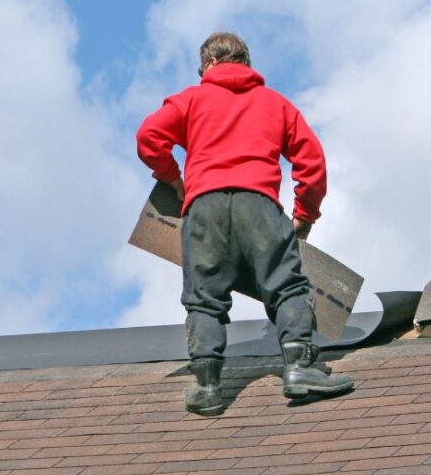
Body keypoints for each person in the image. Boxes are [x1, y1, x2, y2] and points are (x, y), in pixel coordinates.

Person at [136, 32, 353, 417]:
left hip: (204, 207)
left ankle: (207, 387)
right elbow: (312, 162)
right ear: (246, 63)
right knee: (287, 287)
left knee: (204, 298)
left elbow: (148, 137)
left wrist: (174, 180)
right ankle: (300, 368)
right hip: (260, 205)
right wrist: (305, 213)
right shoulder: (276, 104)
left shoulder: (189, 99)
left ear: (208, 66)